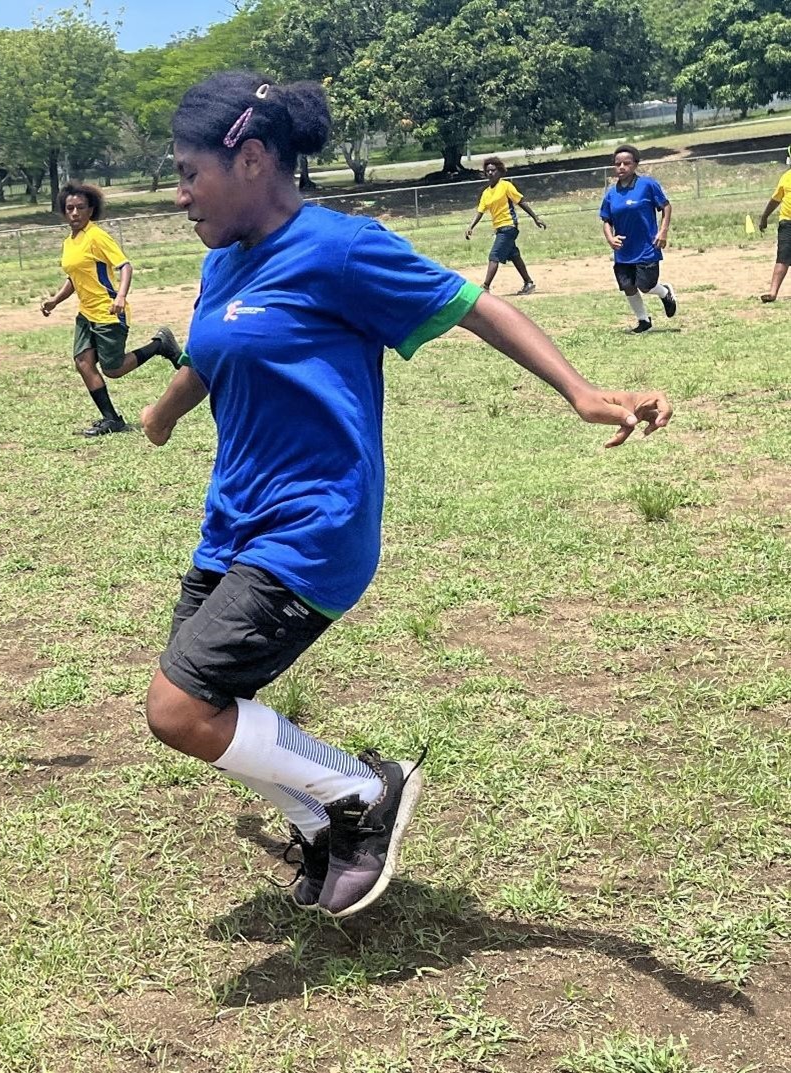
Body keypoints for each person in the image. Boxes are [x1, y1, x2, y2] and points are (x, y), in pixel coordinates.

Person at [140, 71, 671, 919]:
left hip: (313, 527)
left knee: (177, 707)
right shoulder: (223, 260)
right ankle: (326, 825)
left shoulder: (342, 249)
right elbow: (209, 354)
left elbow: (475, 308)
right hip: (231, 525)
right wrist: (162, 414)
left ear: (249, 159)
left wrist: (580, 390)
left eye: (188, 173)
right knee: (211, 705)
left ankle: (364, 790)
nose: (178, 195)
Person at [40, 182, 183, 436]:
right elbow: (75, 278)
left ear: (91, 210)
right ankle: (111, 419)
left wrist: (122, 296)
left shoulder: (97, 236)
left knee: (113, 369)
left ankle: (160, 344)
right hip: (86, 315)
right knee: (83, 363)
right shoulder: (69, 243)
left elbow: (125, 266)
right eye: (69, 208)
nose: (74, 213)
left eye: (80, 208)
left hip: (109, 313)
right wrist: (55, 301)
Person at [599, 145, 677, 333]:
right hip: (624, 249)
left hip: (647, 246)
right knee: (628, 286)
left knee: (646, 285)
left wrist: (663, 231)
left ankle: (665, 292)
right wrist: (610, 238)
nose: (622, 167)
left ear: (635, 165)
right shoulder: (611, 193)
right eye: (618, 164)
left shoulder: (648, 185)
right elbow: (606, 219)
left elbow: (666, 207)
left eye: (627, 163)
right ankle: (643, 321)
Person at [464, 157, 546, 294]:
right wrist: (470, 227)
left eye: (493, 170)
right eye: (488, 171)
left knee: (494, 255)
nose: (490, 173)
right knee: (514, 255)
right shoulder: (486, 193)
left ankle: (485, 287)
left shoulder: (506, 186)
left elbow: (521, 202)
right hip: (499, 228)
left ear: (500, 171)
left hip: (509, 226)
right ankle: (528, 283)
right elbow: (480, 212)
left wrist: (535, 218)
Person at [755, 145, 791, 303]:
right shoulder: (786, 177)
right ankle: (773, 292)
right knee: (782, 257)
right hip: (787, 222)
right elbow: (775, 200)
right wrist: (764, 217)